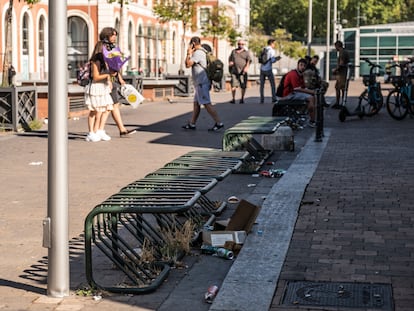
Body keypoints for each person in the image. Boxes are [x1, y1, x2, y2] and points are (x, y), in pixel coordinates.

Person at [99, 27, 136, 137]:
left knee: (114, 105)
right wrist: (109, 78)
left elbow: (116, 65)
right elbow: (104, 65)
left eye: (115, 35)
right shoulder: (102, 47)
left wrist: (120, 79)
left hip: (113, 79)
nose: (114, 37)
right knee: (110, 105)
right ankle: (99, 130)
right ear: (106, 36)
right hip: (106, 79)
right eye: (112, 35)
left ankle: (121, 129)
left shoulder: (113, 48)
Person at [182, 37, 223, 131]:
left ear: (193, 44)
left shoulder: (198, 53)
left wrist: (188, 53)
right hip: (201, 82)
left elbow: (188, 64)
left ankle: (219, 122)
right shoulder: (203, 51)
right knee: (196, 103)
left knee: (207, 103)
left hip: (201, 82)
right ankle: (192, 123)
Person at [84, 40, 114, 142]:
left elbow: (107, 74)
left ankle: (99, 130)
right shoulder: (95, 61)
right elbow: (96, 77)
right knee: (95, 110)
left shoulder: (105, 62)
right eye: (106, 49)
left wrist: (109, 79)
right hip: (96, 87)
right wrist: (108, 75)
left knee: (107, 108)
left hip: (103, 87)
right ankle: (91, 132)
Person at [282, 58, 316, 127]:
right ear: (297, 65)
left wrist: (310, 91)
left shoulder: (300, 74)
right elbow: (296, 88)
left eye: (304, 66)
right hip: (288, 94)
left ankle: (309, 115)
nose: (302, 67)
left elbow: (303, 87)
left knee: (313, 97)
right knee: (311, 98)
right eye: (301, 65)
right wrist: (311, 92)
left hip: (294, 93)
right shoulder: (293, 74)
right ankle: (312, 121)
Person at [228, 39, 252, 104]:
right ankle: (233, 99)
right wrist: (230, 63)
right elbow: (230, 59)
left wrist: (246, 68)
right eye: (239, 44)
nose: (240, 45)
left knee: (243, 85)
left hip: (243, 71)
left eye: (242, 44)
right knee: (233, 85)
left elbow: (249, 61)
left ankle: (242, 98)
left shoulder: (246, 52)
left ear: (244, 45)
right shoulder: (234, 51)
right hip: (234, 71)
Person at [259, 39, 281, 104]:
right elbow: (272, 60)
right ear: (271, 43)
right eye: (274, 43)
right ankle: (274, 98)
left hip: (262, 69)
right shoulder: (271, 50)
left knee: (262, 85)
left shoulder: (264, 49)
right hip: (268, 69)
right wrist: (277, 59)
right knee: (272, 84)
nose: (274, 45)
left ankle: (261, 99)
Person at [332, 40, 350, 109]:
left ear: (337, 46)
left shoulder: (342, 53)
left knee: (339, 88)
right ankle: (342, 102)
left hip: (342, 74)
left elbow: (341, 64)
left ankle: (339, 103)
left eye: (335, 46)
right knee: (342, 88)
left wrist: (335, 70)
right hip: (344, 73)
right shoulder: (345, 52)